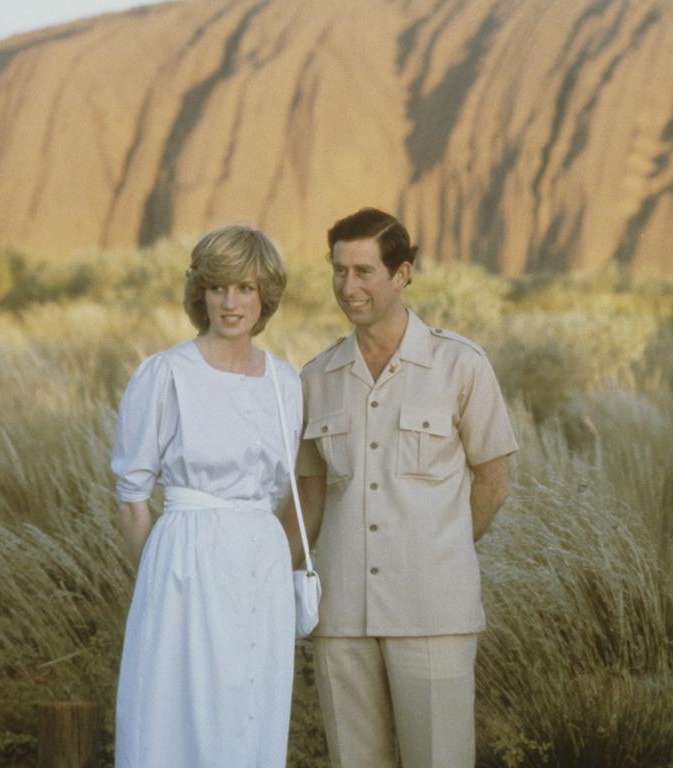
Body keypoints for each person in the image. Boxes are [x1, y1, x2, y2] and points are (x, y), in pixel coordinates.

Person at [286, 208, 518, 768]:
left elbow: (494, 481)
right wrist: (269, 578)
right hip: (341, 616)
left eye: (364, 271)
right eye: (339, 271)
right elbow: (308, 498)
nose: (349, 287)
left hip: (433, 610)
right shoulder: (316, 378)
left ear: (402, 273)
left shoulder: (459, 364)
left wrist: (441, 548)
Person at [111, 224, 302, 768]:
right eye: (217, 287)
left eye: (244, 287)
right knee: (174, 706)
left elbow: (286, 489)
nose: (230, 301)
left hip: (261, 564)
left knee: (251, 704)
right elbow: (132, 495)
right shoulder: (166, 374)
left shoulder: (285, 383)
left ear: (265, 295)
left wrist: (273, 560)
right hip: (184, 559)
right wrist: (155, 578)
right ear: (200, 292)